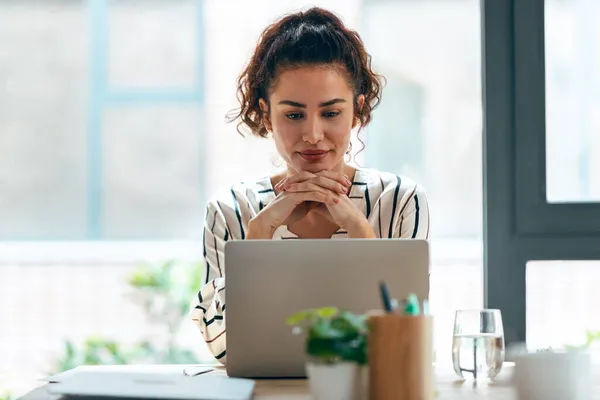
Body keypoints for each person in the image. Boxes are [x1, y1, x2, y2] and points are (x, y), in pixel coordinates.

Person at [190, 7, 430, 364]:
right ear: (266, 113)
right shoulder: (230, 209)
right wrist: (257, 237)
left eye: (331, 113)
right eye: (293, 114)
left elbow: (403, 348)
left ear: (357, 110)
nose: (313, 135)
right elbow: (223, 347)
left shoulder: (399, 200)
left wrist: (360, 231)